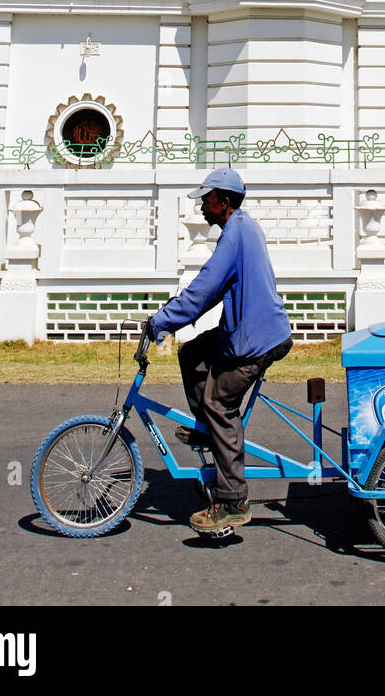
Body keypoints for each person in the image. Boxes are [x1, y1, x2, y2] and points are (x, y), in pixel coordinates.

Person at [146, 167, 292, 535]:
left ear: (224, 201)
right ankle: (208, 432)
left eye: (206, 200)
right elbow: (210, 289)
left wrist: (162, 322)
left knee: (219, 402)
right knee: (191, 352)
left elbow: (205, 289)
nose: (201, 207)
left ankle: (231, 501)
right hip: (246, 331)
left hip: (255, 341)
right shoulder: (241, 226)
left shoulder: (236, 233)